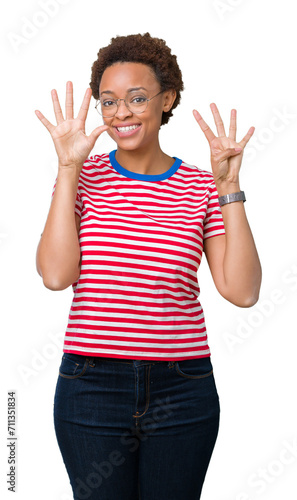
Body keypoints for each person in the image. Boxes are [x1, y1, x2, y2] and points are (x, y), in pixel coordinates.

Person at [35, 33, 262, 500]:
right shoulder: (82, 177)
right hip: (90, 384)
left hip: (182, 387)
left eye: (137, 98)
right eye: (109, 101)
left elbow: (242, 291)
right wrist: (66, 169)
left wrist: (230, 187)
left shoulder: (202, 186)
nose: (122, 113)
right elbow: (56, 276)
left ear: (167, 99)